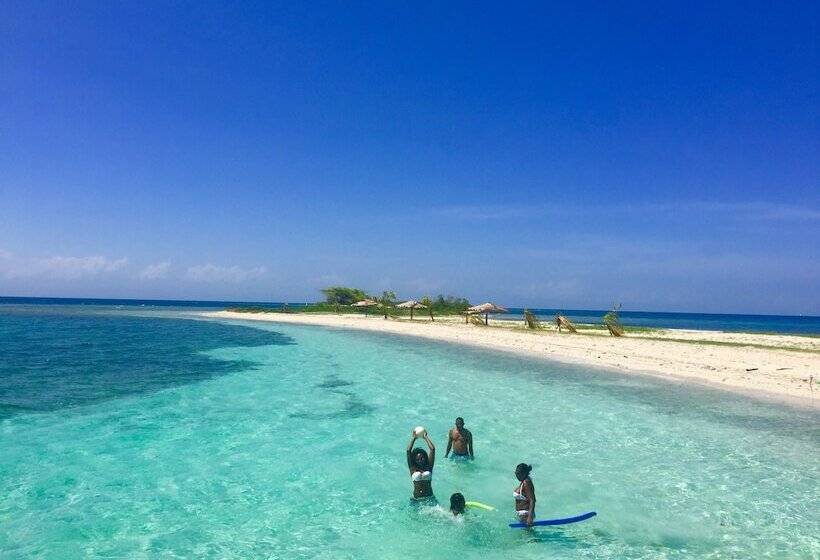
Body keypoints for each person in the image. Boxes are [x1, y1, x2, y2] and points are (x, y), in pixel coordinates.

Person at [407, 429, 436, 500]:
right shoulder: (412, 469)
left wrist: (426, 437)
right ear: (414, 460)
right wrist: (414, 438)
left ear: (425, 458)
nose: (420, 460)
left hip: (430, 498)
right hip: (416, 499)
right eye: (417, 459)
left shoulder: (428, 467)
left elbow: (432, 449)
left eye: (422, 458)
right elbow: (408, 451)